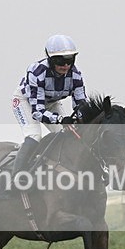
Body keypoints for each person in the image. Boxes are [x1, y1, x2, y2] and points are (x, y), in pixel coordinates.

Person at [10, 34, 88, 179]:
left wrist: (81, 120)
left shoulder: (76, 75)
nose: (65, 65)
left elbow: (81, 105)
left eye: (70, 60)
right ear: (50, 59)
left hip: (51, 103)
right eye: (60, 61)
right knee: (34, 135)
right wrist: (60, 119)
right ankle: (16, 178)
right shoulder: (37, 72)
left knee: (68, 136)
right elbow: (38, 112)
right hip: (25, 102)